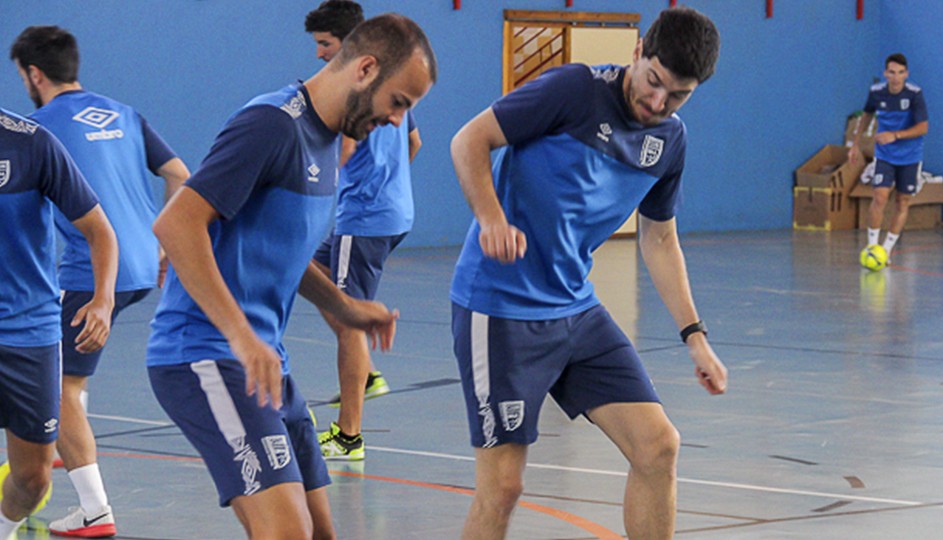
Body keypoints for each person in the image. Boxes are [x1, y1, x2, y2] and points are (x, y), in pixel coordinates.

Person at [145, 14, 436, 539]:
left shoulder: (326, 140)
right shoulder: (272, 124)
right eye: (399, 102)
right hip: (204, 354)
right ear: (366, 69)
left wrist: (345, 307)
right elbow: (176, 224)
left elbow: (281, 248)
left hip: (266, 364)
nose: (398, 121)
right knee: (287, 532)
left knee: (321, 533)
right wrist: (240, 335)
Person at [449, 7, 728, 539]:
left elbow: (660, 238)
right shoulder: (573, 92)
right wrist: (491, 217)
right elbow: (469, 140)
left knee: (658, 445)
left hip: (575, 309)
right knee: (502, 487)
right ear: (637, 51)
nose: (657, 103)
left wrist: (695, 337)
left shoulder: (669, 141)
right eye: (654, 83)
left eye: (678, 95)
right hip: (500, 308)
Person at [10, 25, 191, 537]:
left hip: (91, 269)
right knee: (74, 377)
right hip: (139, 265)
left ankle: (94, 509)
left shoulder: (36, 130)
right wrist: (161, 242)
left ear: (33, 73)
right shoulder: (123, 112)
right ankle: (66, 453)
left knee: (58, 386)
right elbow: (179, 172)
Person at [305, 0, 424, 461]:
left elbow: (345, 154)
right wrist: (390, 183)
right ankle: (367, 374)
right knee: (306, 269)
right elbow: (414, 140)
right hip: (393, 213)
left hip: (364, 219)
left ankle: (349, 435)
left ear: (350, 47)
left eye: (325, 44)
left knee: (351, 320)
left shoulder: (353, 92)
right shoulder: (391, 85)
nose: (318, 54)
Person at [0, 107, 118, 540]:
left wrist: (103, 301)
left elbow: (99, 230)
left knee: (33, 477)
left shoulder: (31, 144)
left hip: (29, 333)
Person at [848, 53, 928, 263]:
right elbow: (866, 115)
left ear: (906, 74)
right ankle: (872, 246)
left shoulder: (914, 94)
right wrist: (855, 144)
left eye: (900, 73)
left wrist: (895, 135)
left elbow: (923, 127)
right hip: (885, 156)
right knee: (880, 197)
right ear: (885, 73)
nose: (896, 77)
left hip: (910, 156)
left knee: (902, 202)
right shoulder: (876, 93)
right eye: (891, 72)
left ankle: (887, 249)